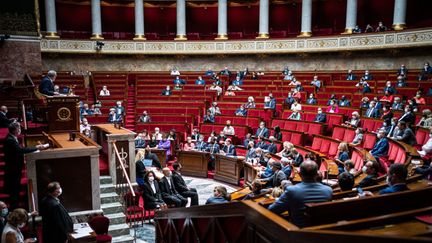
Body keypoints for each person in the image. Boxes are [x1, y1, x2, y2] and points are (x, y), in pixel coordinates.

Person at [268, 161, 332, 227]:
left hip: (297, 232)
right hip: (321, 231)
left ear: (299, 174)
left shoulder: (292, 191)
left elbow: (272, 210)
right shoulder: (328, 190)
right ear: (317, 174)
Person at [4, 122, 45, 209]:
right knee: (14, 190)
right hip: (13, 169)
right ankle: (14, 208)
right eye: (19, 129)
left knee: (16, 189)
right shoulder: (10, 140)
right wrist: (36, 147)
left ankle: (15, 206)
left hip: (15, 167)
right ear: (15, 130)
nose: (20, 130)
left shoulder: (11, 137)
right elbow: (20, 150)